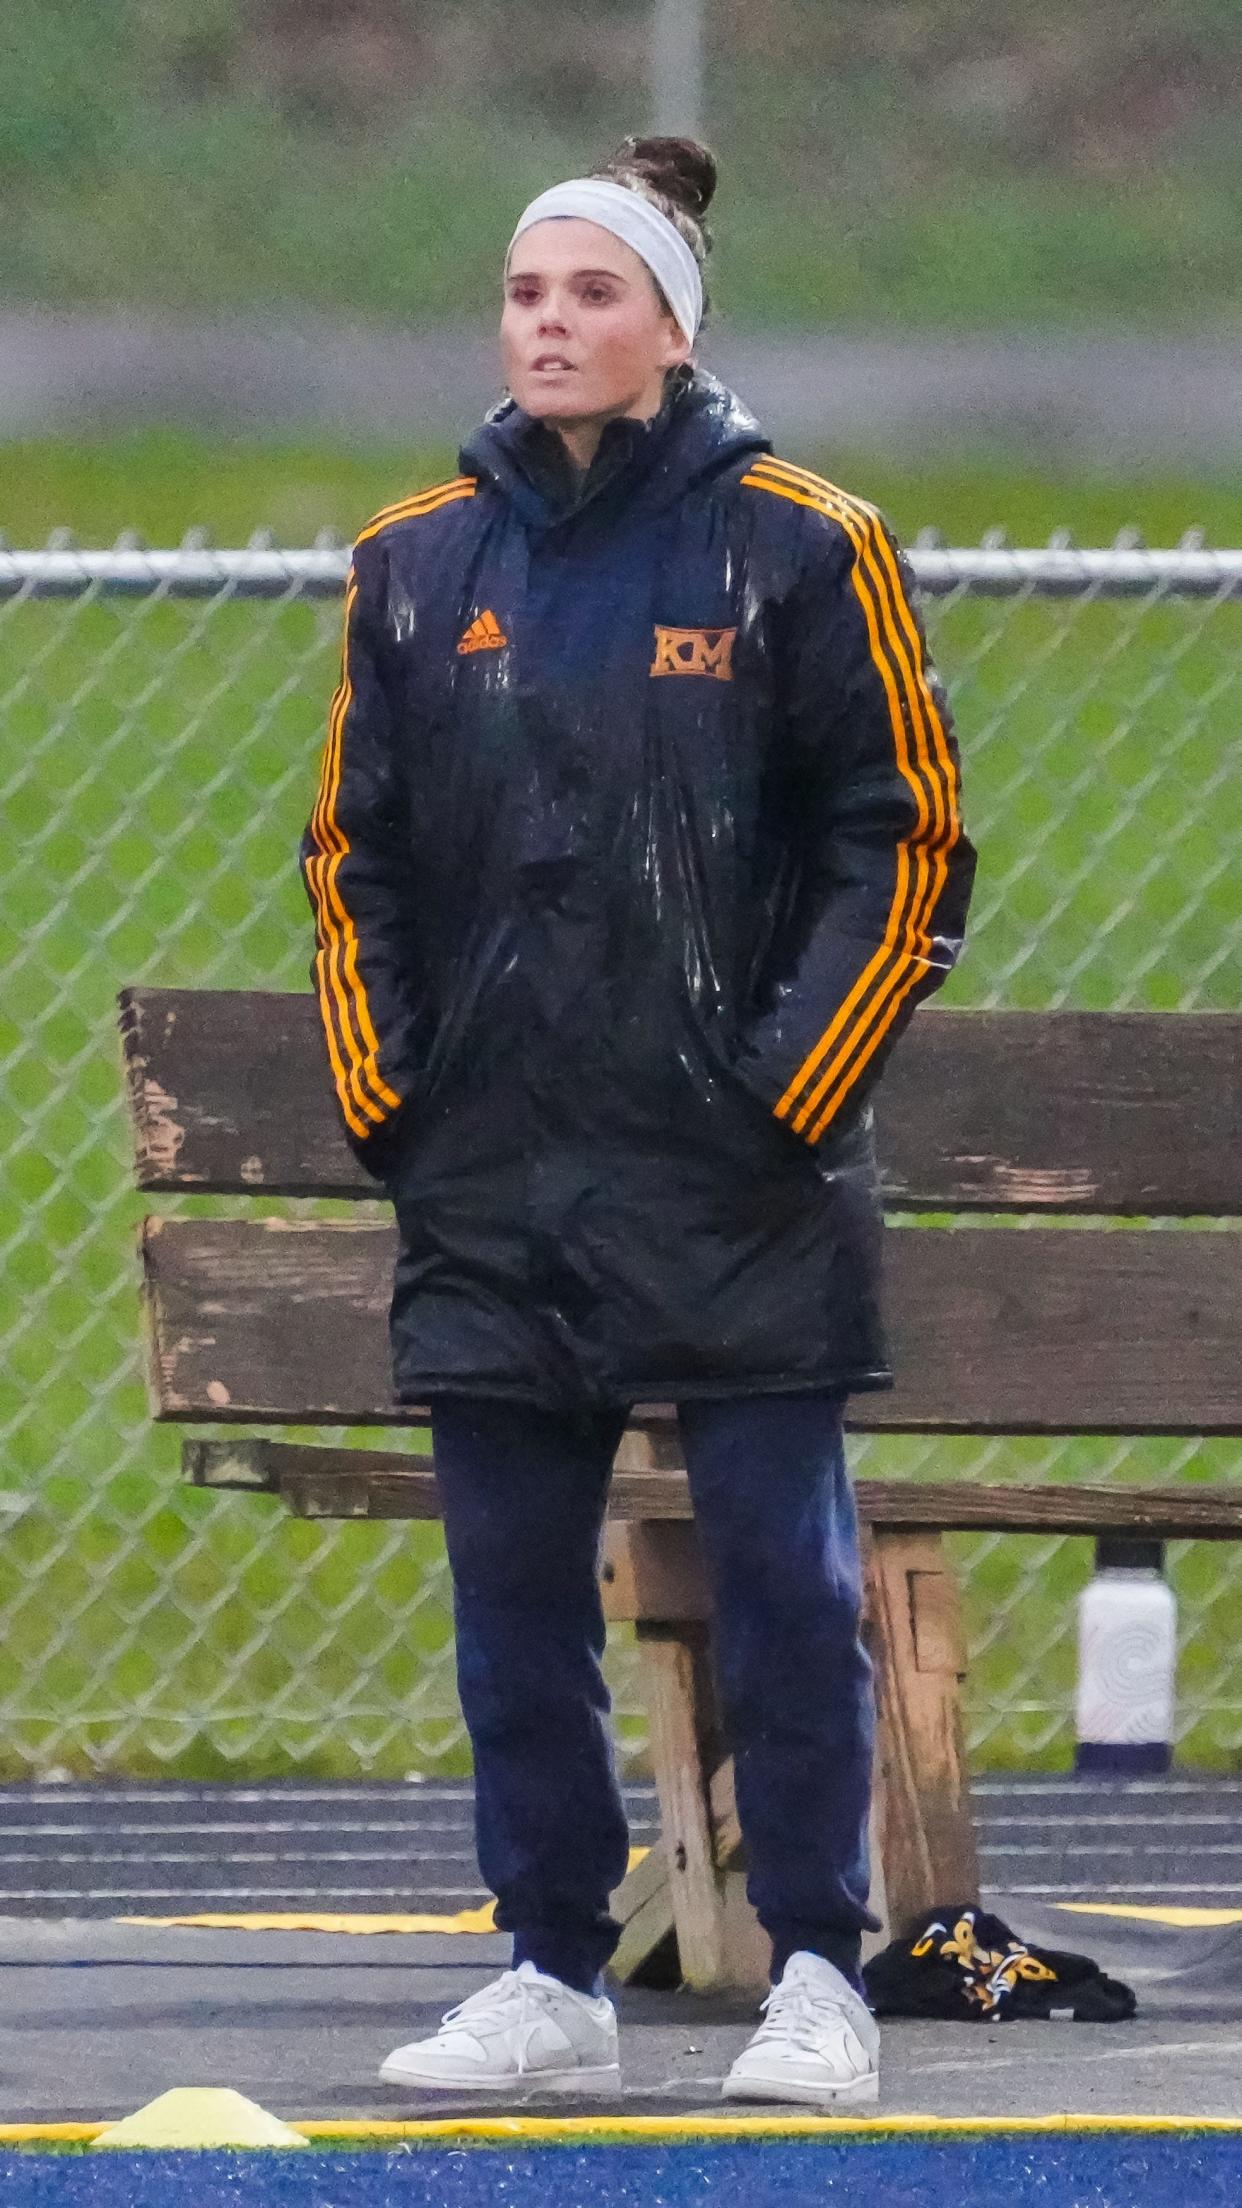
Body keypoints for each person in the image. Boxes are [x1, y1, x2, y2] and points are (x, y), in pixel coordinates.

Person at [298, 133, 975, 2108]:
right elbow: (358, 854)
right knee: (515, 1601)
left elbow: (904, 840)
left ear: (672, 327)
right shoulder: (414, 564)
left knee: (782, 1583)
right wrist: (394, 1100)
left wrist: (788, 1096)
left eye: (593, 293)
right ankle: (545, 1969)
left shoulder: (803, 543)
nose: (551, 324)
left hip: (736, 1184)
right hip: (495, 1180)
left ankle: (823, 1978)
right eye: (525, 292)